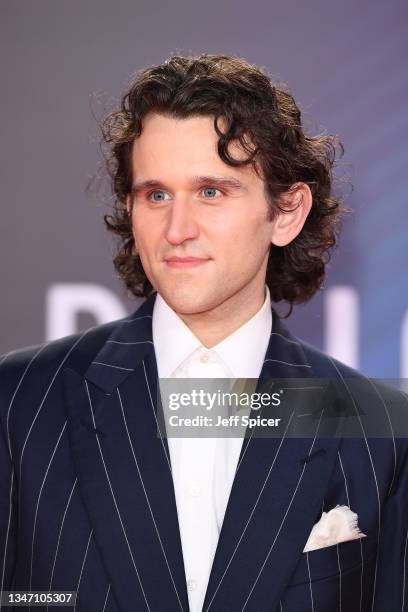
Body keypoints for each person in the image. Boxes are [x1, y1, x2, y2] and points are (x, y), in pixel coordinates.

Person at [0, 54, 406, 612]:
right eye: (156, 195)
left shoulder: (379, 432)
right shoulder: (19, 400)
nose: (178, 229)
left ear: (286, 212)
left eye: (212, 192)